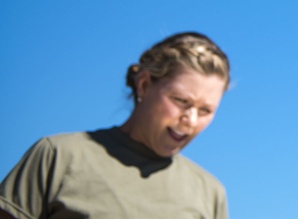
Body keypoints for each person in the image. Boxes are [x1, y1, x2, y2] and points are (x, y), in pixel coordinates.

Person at [0, 32, 230, 219]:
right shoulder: (58, 156)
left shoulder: (210, 194)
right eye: (181, 101)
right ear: (144, 85)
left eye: (205, 111)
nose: (190, 120)